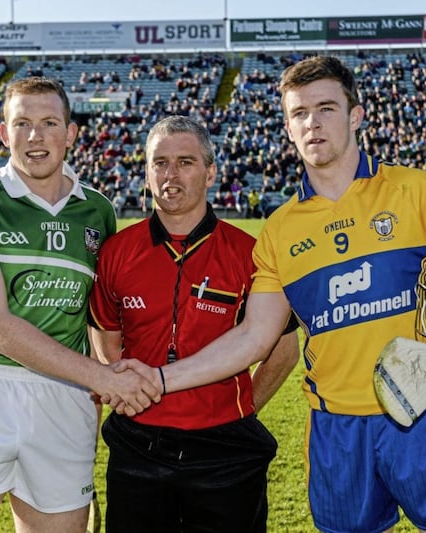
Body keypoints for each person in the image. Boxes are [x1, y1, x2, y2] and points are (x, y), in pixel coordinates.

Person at [112, 56, 426, 533]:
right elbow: (253, 338)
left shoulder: (415, 191)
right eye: (299, 113)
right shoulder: (279, 232)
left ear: (355, 115)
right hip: (337, 430)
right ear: (288, 127)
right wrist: (160, 380)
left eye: (326, 108)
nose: (312, 123)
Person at [0, 76, 159, 533]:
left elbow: (100, 315)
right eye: (22, 123)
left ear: (70, 134)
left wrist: (100, 384)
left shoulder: (98, 210)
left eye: (49, 122)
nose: (35, 135)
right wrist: (105, 379)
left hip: (65, 397)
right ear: (4, 134)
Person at [89, 115, 300, 533]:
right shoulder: (116, 252)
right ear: (146, 174)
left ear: (210, 173)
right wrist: (129, 393)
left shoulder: (249, 253)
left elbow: (284, 351)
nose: (171, 174)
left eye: (185, 162)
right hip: (138, 445)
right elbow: (107, 343)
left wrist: (241, 409)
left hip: (226, 451)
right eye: (160, 163)